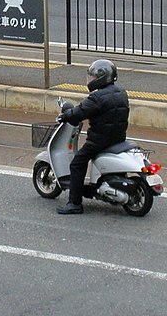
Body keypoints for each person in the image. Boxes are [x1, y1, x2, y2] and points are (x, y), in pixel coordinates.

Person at [55, 59, 129, 215]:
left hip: (100, 140)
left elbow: (79, 112)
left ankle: (74, 203)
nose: (91, 80)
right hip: (119, 138)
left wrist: (66, 115)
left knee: (77, 163)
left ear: (101, 77)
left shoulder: (97, 98)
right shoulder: (121, 92)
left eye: (93, 77)